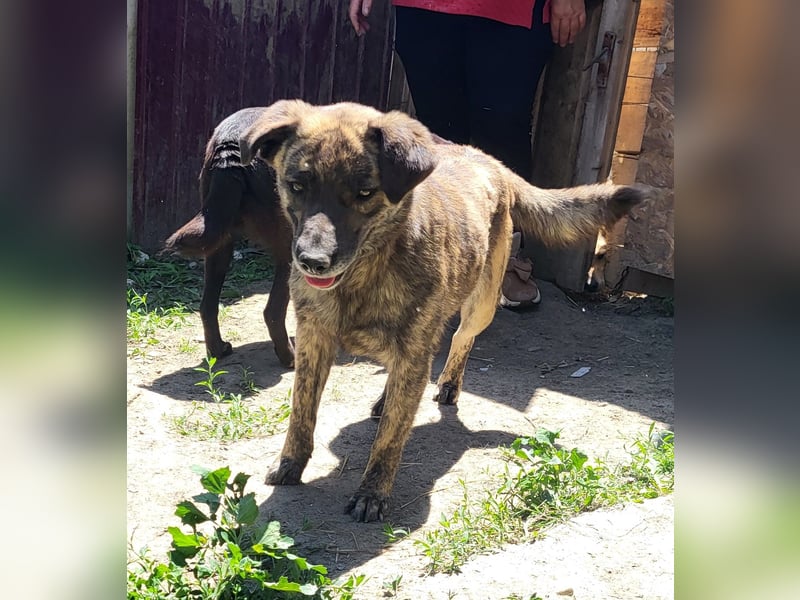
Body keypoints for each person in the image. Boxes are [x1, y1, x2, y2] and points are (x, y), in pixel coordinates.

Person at [349, 0, 586, 308]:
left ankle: (504, 260)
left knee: (503, 130)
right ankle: (436, 259)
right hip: (424, 7)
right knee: (436, 131)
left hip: (512, 10)